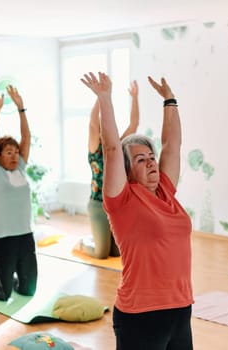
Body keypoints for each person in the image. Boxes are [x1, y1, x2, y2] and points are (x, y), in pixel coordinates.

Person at [81, 72, 193, 349]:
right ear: (128, 171)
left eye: (151, 157)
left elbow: (173, 145)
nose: (151, 163)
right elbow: (110, 148)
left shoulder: (166, 190)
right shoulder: (123, 201)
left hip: (180, 309)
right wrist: (105, 99)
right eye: (141, 160)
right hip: (141, 315)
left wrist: (170, 101)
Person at [0, 85, 37, 301]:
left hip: (24, 236)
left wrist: (21, 108)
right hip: (1, 238)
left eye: (16, 152)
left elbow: (26, 137)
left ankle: (7, 275)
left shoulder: (20, 168)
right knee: (3, 295)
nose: (14, 156)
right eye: (8, 152)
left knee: (28, 290)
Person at [75, 81, 139, 259]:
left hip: (116, 206)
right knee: (101, 253)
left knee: (117, 252)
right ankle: (83, 243)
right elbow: (93, 124)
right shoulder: (95, 149)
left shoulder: (118, 146)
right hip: (98, 205)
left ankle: (98, 238)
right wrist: (100, 97)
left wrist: (134, 97)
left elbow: (134, 125)